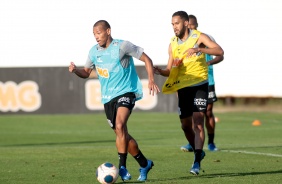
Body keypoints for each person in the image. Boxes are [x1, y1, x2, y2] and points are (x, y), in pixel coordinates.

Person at [68, 20, 160, 182]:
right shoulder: (93, 52)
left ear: (108, 31)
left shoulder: (122, 46)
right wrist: (76, 70)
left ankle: (122, 167)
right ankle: (144, 163)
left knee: (120, 125)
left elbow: (147, 59)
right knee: (121, 132)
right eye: (94, 34)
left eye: (99, 33)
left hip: (127, 91)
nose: (96, 37)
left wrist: (151, 79)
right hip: (107, 98)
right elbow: (87, 72)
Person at [154, 11, 224, 175]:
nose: (174, 27)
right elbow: (169, 69)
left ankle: (197, 160)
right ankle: (198, 151)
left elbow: (220, 51)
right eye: (172, 24)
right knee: (185, 126)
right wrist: (159, 71)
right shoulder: (172, 43)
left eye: (176, 23)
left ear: (186, 23)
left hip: (200, 84)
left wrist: (199, 49)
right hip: (182, 87)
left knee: (198, 121)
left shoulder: (200, 36)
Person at [180, 15, 224, 152]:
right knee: (194, 114)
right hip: (190, 80)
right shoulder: (182, 40)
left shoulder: (205, 38)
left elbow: (220, 55)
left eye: (193, 25)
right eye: (189, 26)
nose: (190, 27)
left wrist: (208, 62)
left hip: (207, 79)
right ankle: (193, 142)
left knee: (208, 112)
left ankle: (211, 142)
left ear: (196, 25)